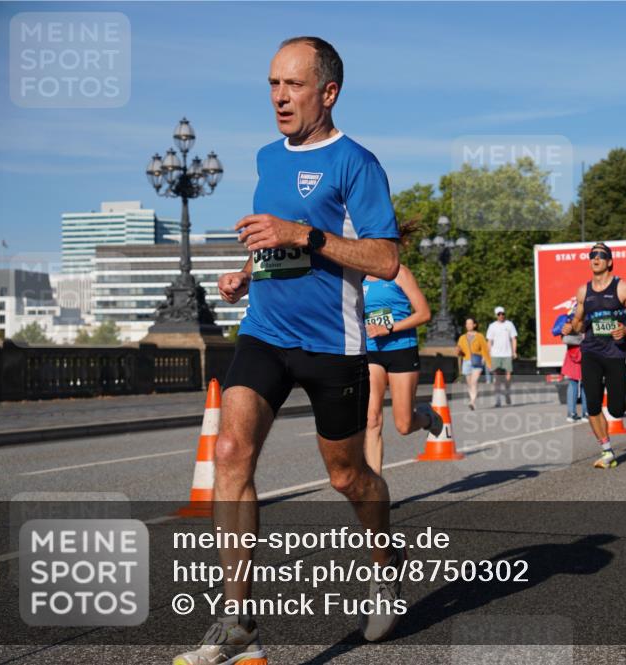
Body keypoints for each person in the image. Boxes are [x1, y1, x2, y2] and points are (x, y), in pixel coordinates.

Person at [178, 37, 404, 664]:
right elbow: (276, 241)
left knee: (347, 476)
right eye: (273, 84)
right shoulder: (266, 157)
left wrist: (304, 233)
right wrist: (247, 273)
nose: (280, 97)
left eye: (294, 85)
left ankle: (384, 571)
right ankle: (239, 625)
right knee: (229, 453)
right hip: (266, 331)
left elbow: (385, 258)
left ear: (328, 92)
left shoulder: (357, 163)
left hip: (333, 343)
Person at [363, 222, 444, 476]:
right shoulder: (358, 277)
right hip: (371, 352)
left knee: (404, 425)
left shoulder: (400, 273)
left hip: (401, 350)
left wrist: (388, 328)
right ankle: (375, 487)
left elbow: (424, 313)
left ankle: (428, 417)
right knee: (372, 419)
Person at [563, 242, 626, 469]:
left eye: (600, 255)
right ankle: (606, 450)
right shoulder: (583, 291)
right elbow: (579, 323)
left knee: (616, 410)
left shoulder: (622, 288)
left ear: (609, 261)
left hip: (615, 353)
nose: (595, 259)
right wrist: (571, 327)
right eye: (592, 256)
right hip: (590, 351)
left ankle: (624, 394)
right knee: (592, 405)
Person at [553, 303, 586, 422]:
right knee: (586, 384)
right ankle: (586, 413)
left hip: (572, 354)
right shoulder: (587, 316)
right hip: (586, 353)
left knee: (572, 383)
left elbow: (559, 334)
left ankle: (571, 413)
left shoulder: (568, 318)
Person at [456, 317, 491, 410]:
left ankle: (472, 401)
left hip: (477, 361)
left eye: (470, 323)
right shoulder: (462, 337)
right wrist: (459, 351)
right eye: (466, 324)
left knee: (474, 382)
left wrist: (488, 362)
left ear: (474, 325)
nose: (468, 325)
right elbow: (459, 351)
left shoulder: (480, 336)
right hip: (466, 361)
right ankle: (472, 400)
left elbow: (485, 350)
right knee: (469, 384)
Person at [486, 306, 518, 407]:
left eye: (502, 314)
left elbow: (514, 339)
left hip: (507, 354)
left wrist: (514, 351)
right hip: (495, 355)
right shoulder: (492, 326)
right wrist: (488, 354)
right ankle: (498, 399)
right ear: (496, 315)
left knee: (508, 376)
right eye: (499, 314)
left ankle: (507, 393)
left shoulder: (509, 324)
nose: (501, 316)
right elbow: (489, 341)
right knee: (497, 378)